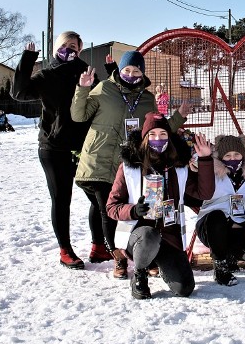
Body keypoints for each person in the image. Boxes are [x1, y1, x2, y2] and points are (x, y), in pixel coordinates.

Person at [71, 51, 188, 278]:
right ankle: (119, 259)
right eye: (127, 70)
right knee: (109, 210)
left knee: (138, 209)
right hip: (100, 160)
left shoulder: (147, 98)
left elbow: (156, 129)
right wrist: (83, 88)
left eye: (136, 71)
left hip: (130, 164)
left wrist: (178, 117)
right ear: (120, 70)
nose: (131, 74)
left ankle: (143, 255)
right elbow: (78, 115)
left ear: (142, 73)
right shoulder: (104, 89)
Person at [11, 31, 107, 269]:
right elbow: (19, 93)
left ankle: (99, 246)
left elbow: (104, 101)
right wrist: (27, 59)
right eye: (65, 45)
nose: (69, 49)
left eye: (74, 46)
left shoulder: (87, 72)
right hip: (53, 148)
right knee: (62, 199)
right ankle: (65, 249)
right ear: (56, 48)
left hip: (84, 148)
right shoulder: (46, 75)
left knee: (98, 199)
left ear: (80, 50)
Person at [106, 112, 215, 299]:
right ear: (145, 138)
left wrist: (205, 160)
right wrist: (133, 210)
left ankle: (162, 265)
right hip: (139, 236)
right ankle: (140, 274)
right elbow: (111, 206)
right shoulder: (129, 168)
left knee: (184, 289)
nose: (158, 139)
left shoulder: (178, 168)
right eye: (153, 134)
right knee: (149, 235)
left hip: (169, 237)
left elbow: (204, 193)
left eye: (163, 134)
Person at [195, 135, 245, 286]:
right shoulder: (211, 174)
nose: (233, 158)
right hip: (212, 228)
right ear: (221, 157)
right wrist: (196, 167)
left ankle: (231, 254)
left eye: (236, 154)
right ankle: (220, 265)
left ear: (243, 155)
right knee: (216, 217)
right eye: (227, 155)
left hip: (240, 228)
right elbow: (195, 190)